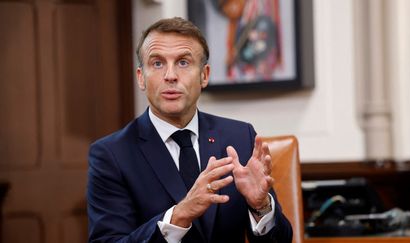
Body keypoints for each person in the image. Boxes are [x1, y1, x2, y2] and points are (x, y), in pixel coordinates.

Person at [87, 17, 292, 243]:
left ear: (204, 75)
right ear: (141, 78)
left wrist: (260, 207)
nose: (170, 75)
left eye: (183, 62)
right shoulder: (112, 154)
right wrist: (179, 216)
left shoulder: (241, 137)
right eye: (157, 63)